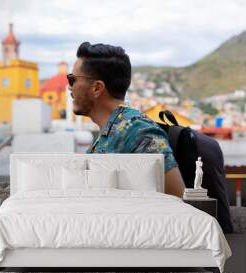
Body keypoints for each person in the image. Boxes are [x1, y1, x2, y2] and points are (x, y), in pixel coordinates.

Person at [68, 42, 185, 197]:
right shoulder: (109, 131)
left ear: (96, 88)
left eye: (72, 80)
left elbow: (177, 199)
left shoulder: (140, 133)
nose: (70, 87)